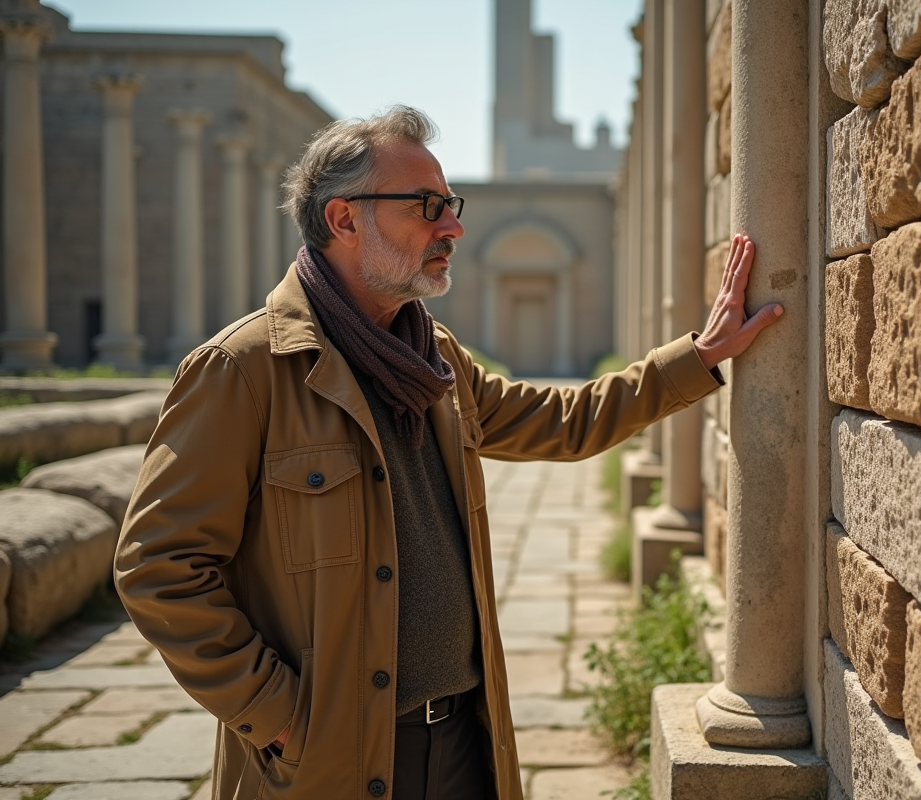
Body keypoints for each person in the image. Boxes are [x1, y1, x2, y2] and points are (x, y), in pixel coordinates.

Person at [114, 105, 782, 800]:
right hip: (327, 761)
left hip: (465, 743)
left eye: (451, 205)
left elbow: (561, 420)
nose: (454, 227)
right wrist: (278, 716)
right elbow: (158, 568)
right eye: (427, 207)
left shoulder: (431, 358)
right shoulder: (244, 371)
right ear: (344, 220)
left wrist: (698, 360)